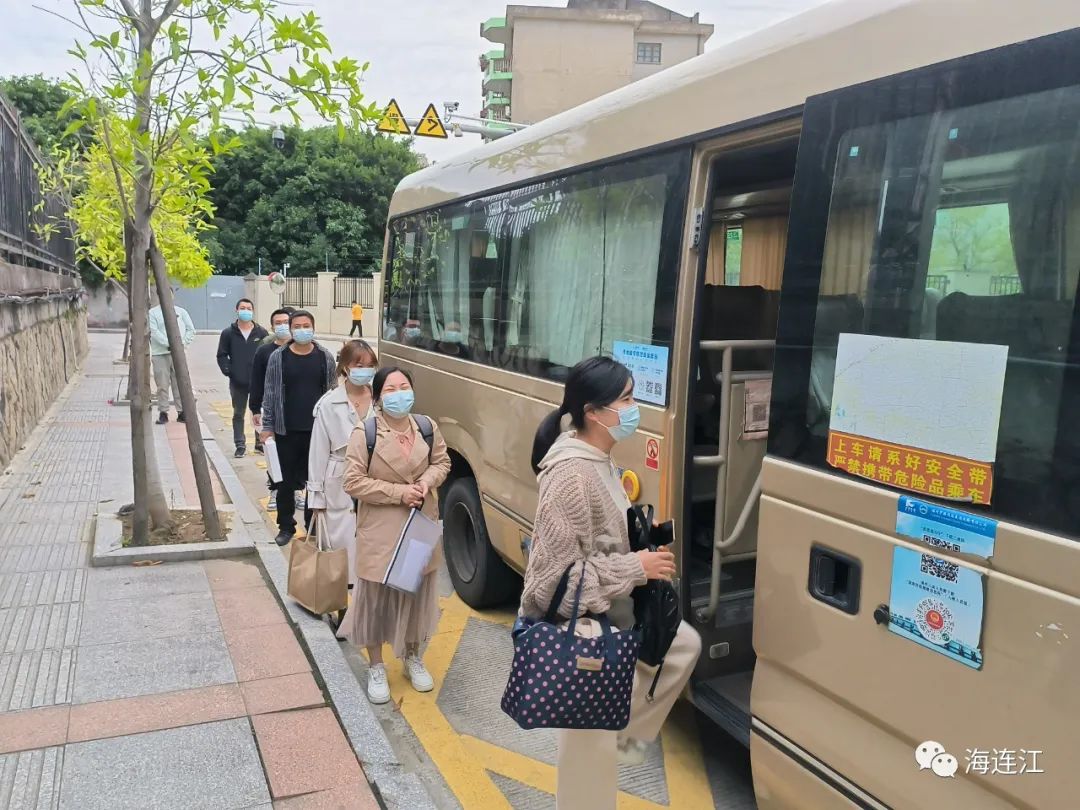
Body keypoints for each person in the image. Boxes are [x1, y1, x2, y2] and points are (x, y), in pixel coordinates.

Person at [521, 356, 701, 810]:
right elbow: (550, 583)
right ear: (593, 413)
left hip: (612, 613)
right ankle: (609, 740)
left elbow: (599, 538)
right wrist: (635, 568)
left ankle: (621, 738)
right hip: (584, 627)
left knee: (681, 646)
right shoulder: (570, 474)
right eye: (626, 399)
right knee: (587, 766)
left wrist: (639, 539)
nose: (634, 407)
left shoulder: (598, 458)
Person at [340, 367, 451, 705]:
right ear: (378, 396)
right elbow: (352, 481)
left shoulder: (428, 427)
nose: (399, 393)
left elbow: (442, 462)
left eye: (404, 386)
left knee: (414, 595)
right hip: (381, 529)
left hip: (418, 527)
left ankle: (411, 656)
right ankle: (376, 666)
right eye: (391, 388)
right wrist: (398, 493)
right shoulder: (366, 432)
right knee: (375, 599)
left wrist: (427, 482)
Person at [259, 310, 337, 546]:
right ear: (291, 330)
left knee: (315, 482)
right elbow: (270, 393)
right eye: (297, 326)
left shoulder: (325, 356)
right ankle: (286, 526)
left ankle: (311, 525)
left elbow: (332, 392)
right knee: (284, 483)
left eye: (306, 325)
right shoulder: (278, 357)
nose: (302, 329)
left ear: (313, 327)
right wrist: (267, 426)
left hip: (317, 432)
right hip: (286, 430)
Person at [308, 340, 379, 589]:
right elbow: (318, 452)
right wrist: (316, 497)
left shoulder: (379, 400)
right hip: (337, 479)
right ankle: (341, 609)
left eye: (370, 365)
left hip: (375, 480)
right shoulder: (329, 404)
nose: (365, 370)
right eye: (359, 364)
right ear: (345, 367)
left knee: (371, 550)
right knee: (340, 550)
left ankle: (364, 607)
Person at [249, 306, 293, 507]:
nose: (283, 326)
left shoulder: (302, 349)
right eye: (279, 323)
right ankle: (276, 490)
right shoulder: (265, 352)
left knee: (295, 453)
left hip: (296, 411)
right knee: (274, 451)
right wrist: (255, 409)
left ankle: (294, 490)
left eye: (286, 322)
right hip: (271, 411)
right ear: (272, 326)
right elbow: (256, 381)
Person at [217, 298, 269, 457]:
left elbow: (268, 354)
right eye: (242, 308)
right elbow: (222, 355)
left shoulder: (261, 333)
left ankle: (259, 443)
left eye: (249, 308)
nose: (246, 311)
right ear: (237, 310)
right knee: (238, 413)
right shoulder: (228, 333)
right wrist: (229, 371)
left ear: (253, 311)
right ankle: (240, 444)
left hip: (258, 382)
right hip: (237, 382)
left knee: (258, 413)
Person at [149, 288, 196, 424]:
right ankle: (163, 412)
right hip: (160, 354)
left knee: (179, 383)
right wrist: (170, 344)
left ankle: (181, 412)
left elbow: (191, 330)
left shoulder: (181, 312)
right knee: (162, 385)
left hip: (179, 354)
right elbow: (154, 332)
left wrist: (181, 344)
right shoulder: (153, 313)